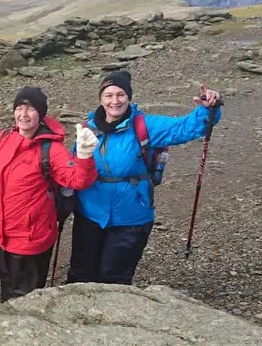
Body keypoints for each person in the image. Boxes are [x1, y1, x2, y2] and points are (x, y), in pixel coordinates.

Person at [66, 71, 222, 286]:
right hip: (90, 215)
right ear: (100, 99)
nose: (115, 101)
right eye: (108, 95)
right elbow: (74, 167)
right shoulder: (87, 128)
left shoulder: (144, 126)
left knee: (114, 277)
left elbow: (183, 128)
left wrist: (207, 110)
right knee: (80, 273)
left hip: (131, 217)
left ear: (129, 97)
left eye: (120, 94)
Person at [0, 87, 98, 301]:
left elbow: (78, 180)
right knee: (7, 282)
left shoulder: (52, 149)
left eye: (30, 109)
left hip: (30, 239)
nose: (23, 114)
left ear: (41, 114)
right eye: (19, 108)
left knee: (25, 296)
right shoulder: (4, 137)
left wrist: (84, 155)